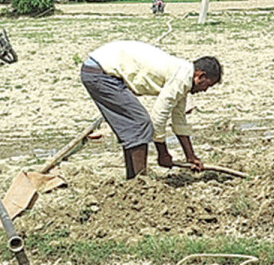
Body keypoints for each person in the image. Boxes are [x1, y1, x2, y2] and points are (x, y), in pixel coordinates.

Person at [80, 40, 222, 179]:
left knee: (133, 126)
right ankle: (140, 182)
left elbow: (179, 119)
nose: (205, 90)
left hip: (98, 70)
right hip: (100, 73)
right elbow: (158, 117)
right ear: (200, 76)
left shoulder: (184, 77)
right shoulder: (181, 78)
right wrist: (163, 153)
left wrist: (190, 157)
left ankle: (134, 179)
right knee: (140, 123)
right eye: (207, 85)